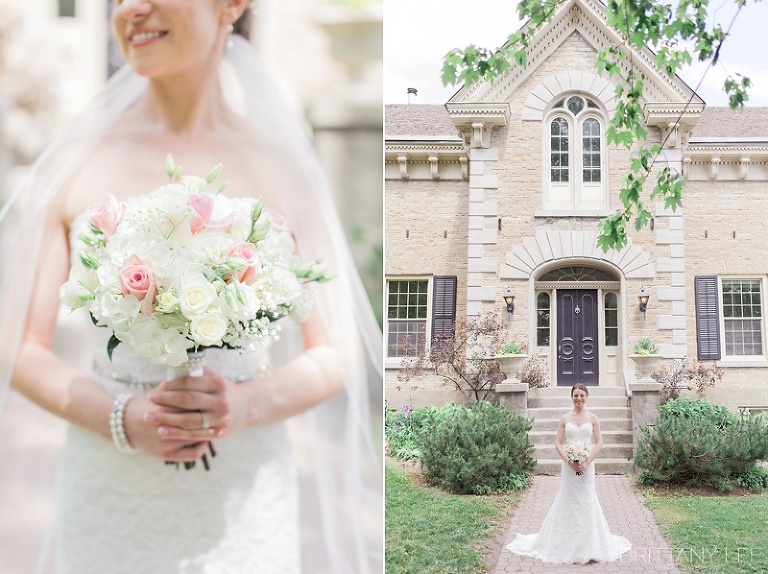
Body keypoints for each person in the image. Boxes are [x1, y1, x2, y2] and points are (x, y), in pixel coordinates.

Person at [0, 1, 382, 573]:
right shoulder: (79, 158)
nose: (130, 9)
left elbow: (337, 353)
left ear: (232, 4)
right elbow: (19, 347)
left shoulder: (284, 165)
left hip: (243, 495)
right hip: (109, 494)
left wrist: (246, 405)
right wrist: (122, 417)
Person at [506, 383, 631, 564]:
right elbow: (558, 443)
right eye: (575, 395)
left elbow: (599, 443)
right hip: (569, 465)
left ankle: (590, 544)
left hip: (587, 466)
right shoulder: (565, 418)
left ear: (586, 397)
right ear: (571, 397)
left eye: (582, 395)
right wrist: (569, 460)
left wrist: (587, 461)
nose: (578, 398)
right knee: (568, 498)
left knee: (587, 499)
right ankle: (564, 541)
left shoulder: (593, 418)